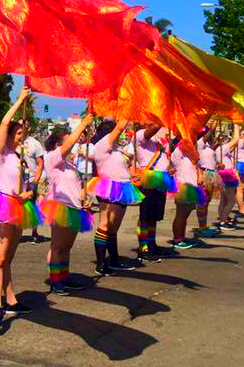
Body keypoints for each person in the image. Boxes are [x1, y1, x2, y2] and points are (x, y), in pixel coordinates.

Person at [0, 88, 39, 322]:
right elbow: (5, 122)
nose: (20, 135)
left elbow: (26, 187)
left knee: (9, 258)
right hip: (2, 205)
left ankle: (11, 299)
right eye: (17, 132)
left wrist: (28, 193)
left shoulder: (20, 158)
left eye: (22, 133)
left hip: (18, 206)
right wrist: (19, 101)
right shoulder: (0, 153)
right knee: (0, 257)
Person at [41, 115, 94, 295]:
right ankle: (56, 281)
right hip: (60, 207)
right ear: (57, 145)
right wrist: (83, 123)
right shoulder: (52, 158)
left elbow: (75, 185)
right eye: (65, 143)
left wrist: (83, 198)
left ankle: (64, 276)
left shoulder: (69, 164)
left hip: (74, 208)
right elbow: (70, 143)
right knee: (58, 246)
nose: (70, 146)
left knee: (66, 247)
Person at [87, 118, 143, 276]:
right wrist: (128, 109)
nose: (121, 134)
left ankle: (113, 259)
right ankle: (101, 264)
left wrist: (132, 176)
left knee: (113, 227)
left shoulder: (116, 148)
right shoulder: (104, 144)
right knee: (105, 225)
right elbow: (119, 128)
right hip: (110, 187)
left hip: (122, 188)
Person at [133, 125, 176, 262]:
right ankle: (143, 248)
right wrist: (162, 114)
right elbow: (154, 127)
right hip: (148, 179)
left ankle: (152, 244)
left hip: (161, 179)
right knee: (145, 216)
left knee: (154, 216)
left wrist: (169, 168)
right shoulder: (140, 135)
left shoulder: (159, 140)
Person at [167, 138, 204, 250]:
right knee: (181, 215)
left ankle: (181, 237)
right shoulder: (177, 155)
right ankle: (177, 240)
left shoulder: (188, 157)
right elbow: (185, 141)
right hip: (183, 188)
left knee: (185, 215)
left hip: (191, 188)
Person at [21, 129, 46, 244]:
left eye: (23, 125)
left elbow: (41, 163)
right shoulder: (13, 142)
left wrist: (35, 181)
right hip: (19, 179)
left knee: (33, 204)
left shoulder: (35, 143)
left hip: (33, 178)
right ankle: (18, 231)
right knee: (19, 204)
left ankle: (34, 231)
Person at [195, 129, 221, 238]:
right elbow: (210, 132)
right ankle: (202, 227)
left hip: (211, 174)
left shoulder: (208, 148)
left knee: (206, 202)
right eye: (211, 135)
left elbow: (212, 162)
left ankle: (203, 226)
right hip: (205, 174)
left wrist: (219, 165)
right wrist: (214, 119)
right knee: (202, 202)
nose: (212, 136)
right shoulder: (200, 144)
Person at [215, 135, 240, 230]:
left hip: (223, 174)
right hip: (227, 175)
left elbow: (234, 145)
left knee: (224, 200)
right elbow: (235, 139)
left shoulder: (220, 149)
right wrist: (237, 126)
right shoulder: (222, 148)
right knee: (231, 201)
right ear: (225, 141)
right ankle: (222, 221)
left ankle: (222, 219)